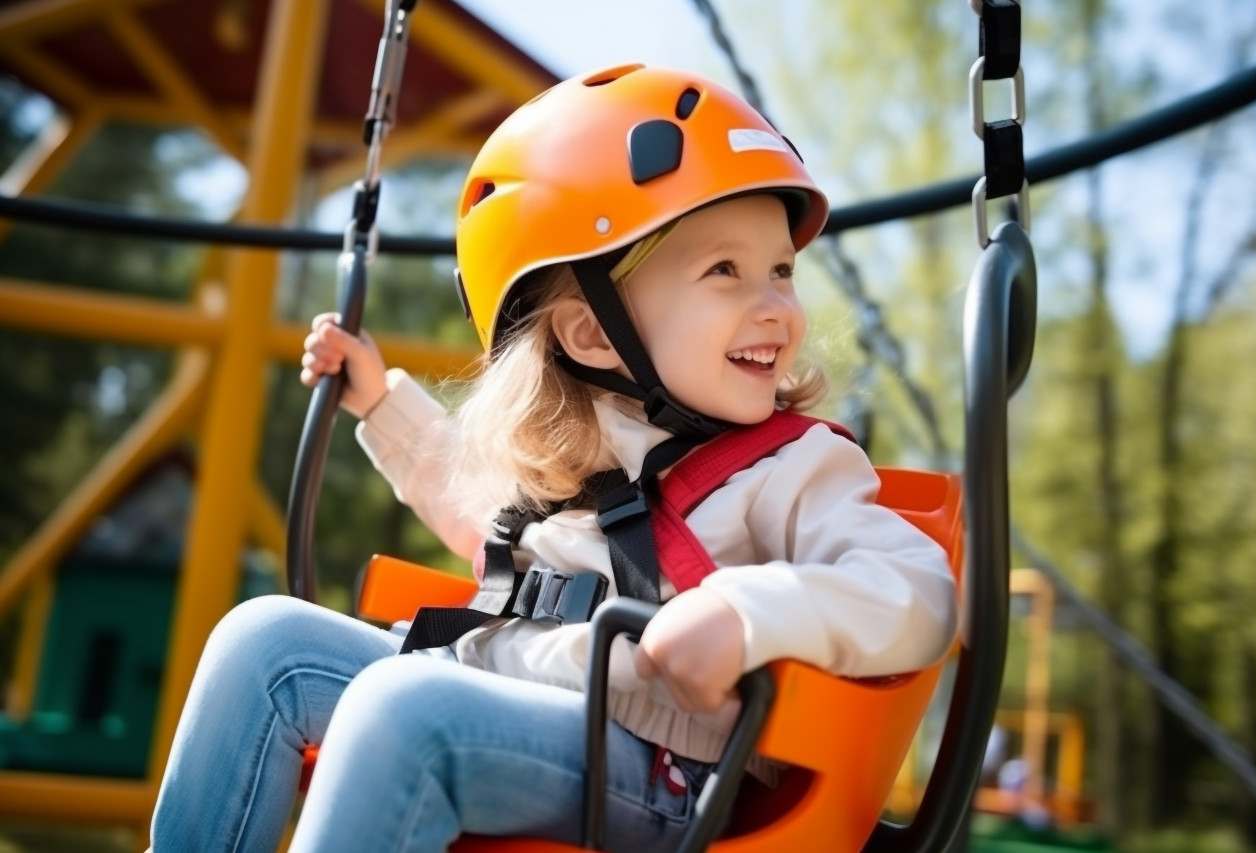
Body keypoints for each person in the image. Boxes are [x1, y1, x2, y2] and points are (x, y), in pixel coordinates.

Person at [148, 64, 957, 853]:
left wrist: (748, 613)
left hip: (646, 759)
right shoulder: (586, 444)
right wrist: (379, 400)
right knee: (263, 643)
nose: (777, 306)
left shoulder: (794, 465)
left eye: (780, 269)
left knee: (403, 708)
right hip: (491, 680)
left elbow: (915, 590)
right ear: (593, 334)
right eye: (726, 271)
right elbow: (476, 508)